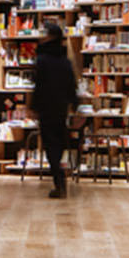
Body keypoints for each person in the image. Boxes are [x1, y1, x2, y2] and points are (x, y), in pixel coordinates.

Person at [31, 22, 79, 199]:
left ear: (50, 36)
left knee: (50, 146)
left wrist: (34, 107)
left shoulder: (42, 59)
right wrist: (75, 105)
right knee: (58, 144)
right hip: (61, 108)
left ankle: (59, 180)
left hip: (46, 107)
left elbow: (39, 85)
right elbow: (71, 85)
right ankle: (60, 177)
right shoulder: (64, 60)